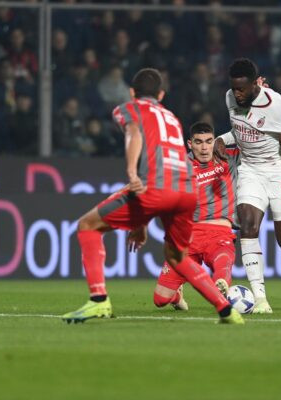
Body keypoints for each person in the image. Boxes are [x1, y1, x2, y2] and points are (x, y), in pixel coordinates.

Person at [62, 68, 243, 324]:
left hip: (155, 186)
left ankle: (98, 301)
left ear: (132, 92)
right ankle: (225, 309)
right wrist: (141, 221)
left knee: (87, 226)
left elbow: (134, 132)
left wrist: (131, 172)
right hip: (184, 191)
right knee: (176, 257)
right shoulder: (172, 118)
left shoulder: (128, 108)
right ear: (161, 94)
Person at [214, 58, 281, 314]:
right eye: (234, 88)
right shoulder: (230, 97)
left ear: (255, 84)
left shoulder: (276, 105)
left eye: (242, 89)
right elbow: (241, 131)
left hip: (280, 170)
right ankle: (260, 298)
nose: (237, 94)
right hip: (250, 169)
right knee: (248, 226)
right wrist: (221, 139)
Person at [153, 121, 238, 311]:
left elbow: (257, 147)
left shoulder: (227, 158)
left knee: (222, 260)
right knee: (160, 300)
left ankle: (221, 284)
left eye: (209, 141)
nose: (204, 147)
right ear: (190, 144)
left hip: (219, 233)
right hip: (187, 237)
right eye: (198, 142)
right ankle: (177, 295)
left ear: (215, 141)